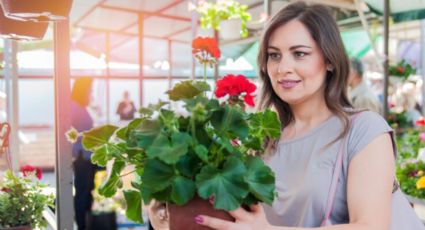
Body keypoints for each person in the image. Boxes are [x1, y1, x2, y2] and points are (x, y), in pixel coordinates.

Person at [195, 2, 425, 229]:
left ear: (329, 61)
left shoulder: (364, 130)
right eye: (274, 55)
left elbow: (371, 227)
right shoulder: (262, 137)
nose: (283, 67)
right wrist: (167, 210)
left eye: (300, 54)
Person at [71, 77, 97, 230]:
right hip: (82, 156)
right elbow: (70, 131)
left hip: (87, 156)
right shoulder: (74, 106)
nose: (91, 92)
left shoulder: (80, 106)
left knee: (87, 191)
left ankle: (85, 224)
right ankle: (81, 226)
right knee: (82, 192)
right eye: (89, 89)